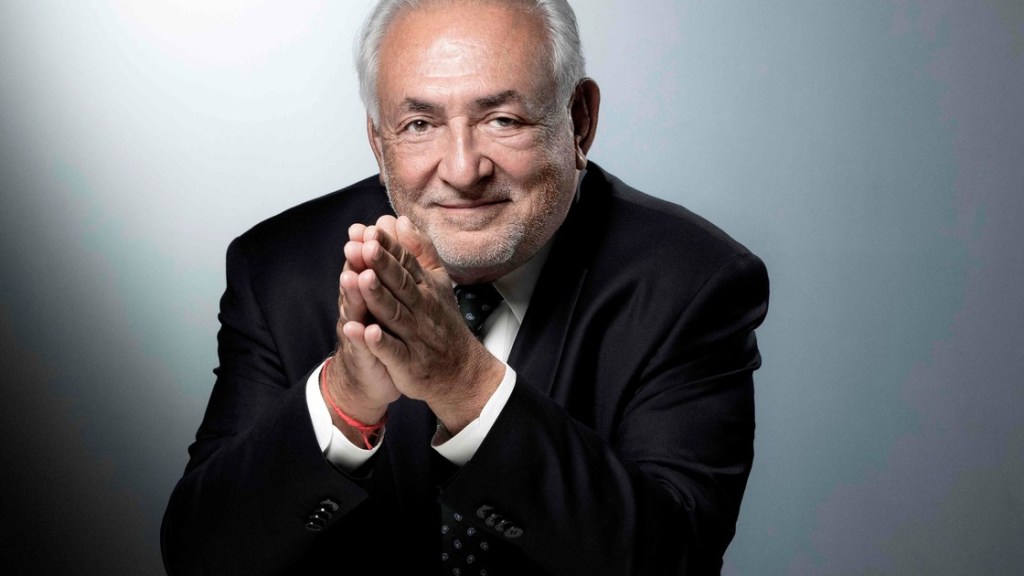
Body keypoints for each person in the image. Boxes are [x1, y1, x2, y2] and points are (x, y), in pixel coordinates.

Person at [161, 0, 769, 574]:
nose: (461, 171)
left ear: (580, 122)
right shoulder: (279, 270)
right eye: (419, 124)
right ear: (379, 142)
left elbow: (675, 559)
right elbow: (199, 556)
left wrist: (462, 381)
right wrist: (344, 397)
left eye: (503, 120)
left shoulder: (693, 281)